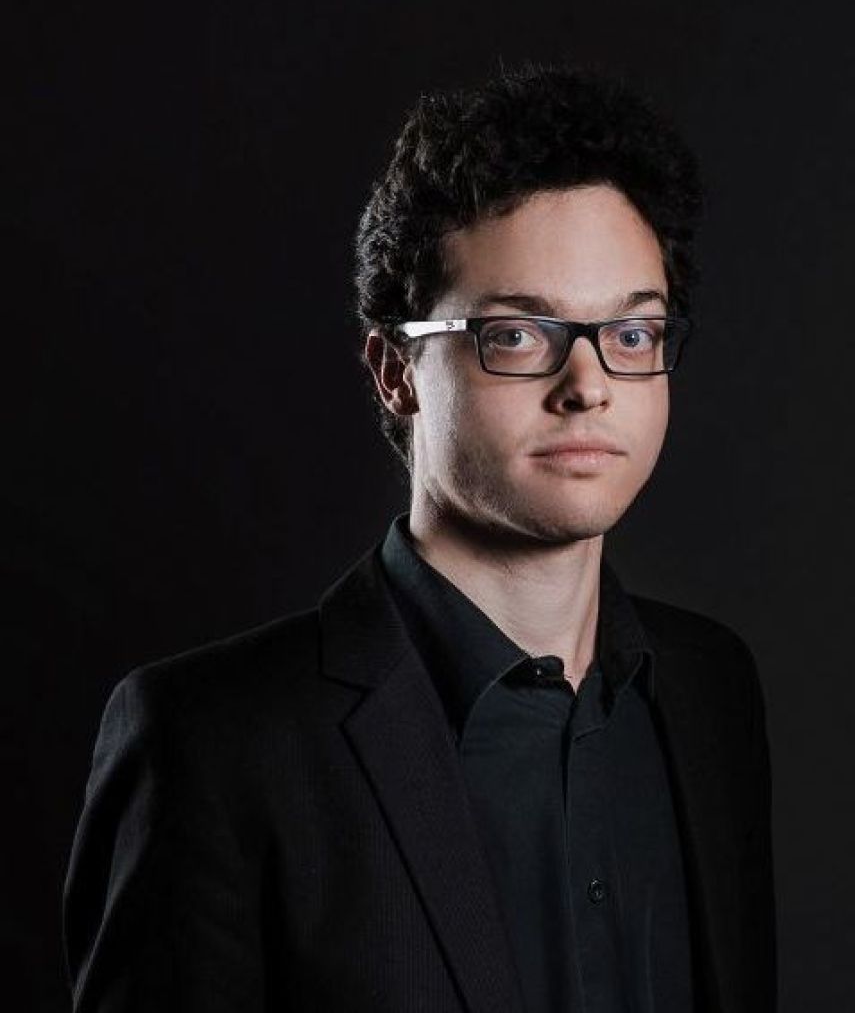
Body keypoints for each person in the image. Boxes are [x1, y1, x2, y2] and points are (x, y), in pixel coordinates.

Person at [64, 66, 775, 1012]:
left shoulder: (711, 691)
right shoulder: (214, 744)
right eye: (517, 334)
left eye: (633, 334)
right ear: (396, 371)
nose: (589, 385)